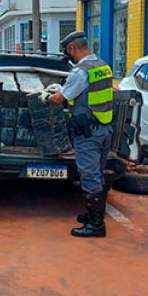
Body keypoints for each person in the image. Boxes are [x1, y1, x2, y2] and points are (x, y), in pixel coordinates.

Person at [46, 31, 114, 238]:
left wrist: (46, 95)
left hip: (88, 134)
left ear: (73, 48)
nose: (69, 56)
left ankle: (96, 226)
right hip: (104, 128)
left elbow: (60, 99)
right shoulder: (103, 66)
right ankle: (91, 214)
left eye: (69, 52)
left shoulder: (80, 72)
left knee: (89, 176)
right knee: (98, 174)